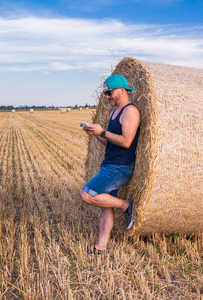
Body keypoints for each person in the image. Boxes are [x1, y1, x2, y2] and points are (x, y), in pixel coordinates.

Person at [80, 74, 141, 255]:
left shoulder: (130, 111)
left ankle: (125, 205)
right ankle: (101, 248)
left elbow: (126, 141)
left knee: (86, 194)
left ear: (122, 91)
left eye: (109, 93)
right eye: (105, 93)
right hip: (110, 164)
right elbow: (111, 142)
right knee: (105, 206)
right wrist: (96, 133)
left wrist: (104, 131)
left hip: (119, 167)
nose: (107, 97)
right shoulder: (115, 112)